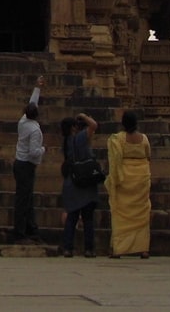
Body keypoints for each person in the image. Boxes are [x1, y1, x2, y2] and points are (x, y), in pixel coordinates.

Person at [105, 110, 152, 258]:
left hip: (124, 179)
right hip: (141, 179)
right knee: (142, 215)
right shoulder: (144, 139)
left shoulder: (117, 139)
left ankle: (118, 249)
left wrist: (113, 179)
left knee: (120, 215)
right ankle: (143, 249)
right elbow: (148, 156)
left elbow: (114, 161)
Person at [60, 112, 99, 257]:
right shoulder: (81, 138)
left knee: (72, 217)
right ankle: (89, 249)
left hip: (71, 182)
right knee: (88, 218)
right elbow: (94, 125)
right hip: (86, 181)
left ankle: (68, 248)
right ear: (73, 127)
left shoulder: (66, 142)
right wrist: (84, 116)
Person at [12, 76, 46, 244]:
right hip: (26, 164)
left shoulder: (22, 121)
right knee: (23, 200)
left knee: (26, 198)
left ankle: (31, 229)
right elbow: (34, 152)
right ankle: (19, 232)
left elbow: (33, 103)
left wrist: (37, 88)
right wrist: (43, 149)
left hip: (19, 162)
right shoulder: (34, 131)